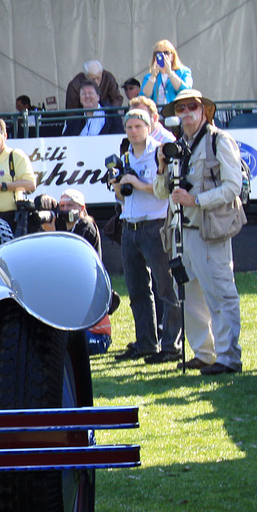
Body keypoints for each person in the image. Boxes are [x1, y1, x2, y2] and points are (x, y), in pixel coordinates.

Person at [154, 89, 244, 375]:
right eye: (181, 109)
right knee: (190, 297)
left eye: (192, 107)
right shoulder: (175, 147)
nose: (186, 113)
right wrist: (161, 167)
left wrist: (196, 200)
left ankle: (229, 358)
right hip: (180, 232)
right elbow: (160, 192)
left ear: (204, 111)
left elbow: (233, 187)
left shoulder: (219, 141)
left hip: (210, 231)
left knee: (220, 294)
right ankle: (204, 354)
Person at [111, 104, 182, 363]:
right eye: (129, 127)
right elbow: (121, 196)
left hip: (155, 224)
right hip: (129, 225)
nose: (133, 131)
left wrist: (136, 183)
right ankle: (146, 343)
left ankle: (171, 345)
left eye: (138, 126)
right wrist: (119, 185)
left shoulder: (159, 153)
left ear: (149, 127)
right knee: (137, 290)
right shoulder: (125, 155)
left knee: (166, 287)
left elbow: (163, 188)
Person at [56, 81, 122, 137]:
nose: (87, 96)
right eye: (83, 94)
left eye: (90, 93)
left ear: (98, 97)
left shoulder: (112, 116)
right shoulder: (75, 119)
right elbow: (65, 140)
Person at [139, 40, 193, 108]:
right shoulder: (149, 77)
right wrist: (153, 77)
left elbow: (186, 91)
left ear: (172, 56)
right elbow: (144, 96)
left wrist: (170, 73)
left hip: (177, 112)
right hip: (157, 114)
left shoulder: (184, 71)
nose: (163, 56)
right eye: (158, 53)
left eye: (166, 53)